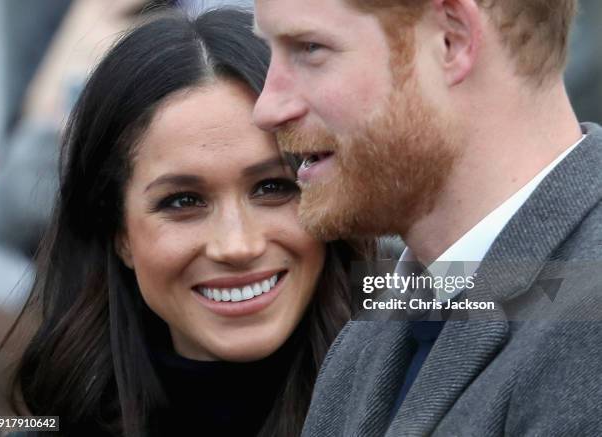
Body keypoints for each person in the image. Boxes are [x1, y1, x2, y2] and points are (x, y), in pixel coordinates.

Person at [1, 8, 369, 437]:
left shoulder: (422, 368)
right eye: (183, 201)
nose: (238, 245)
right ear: (118, 231)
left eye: (273, 188)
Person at [252, 0, 602, 435]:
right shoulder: (369, 341)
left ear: (450, 39)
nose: (267, 109)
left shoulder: (586, 336)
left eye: (309, 48)